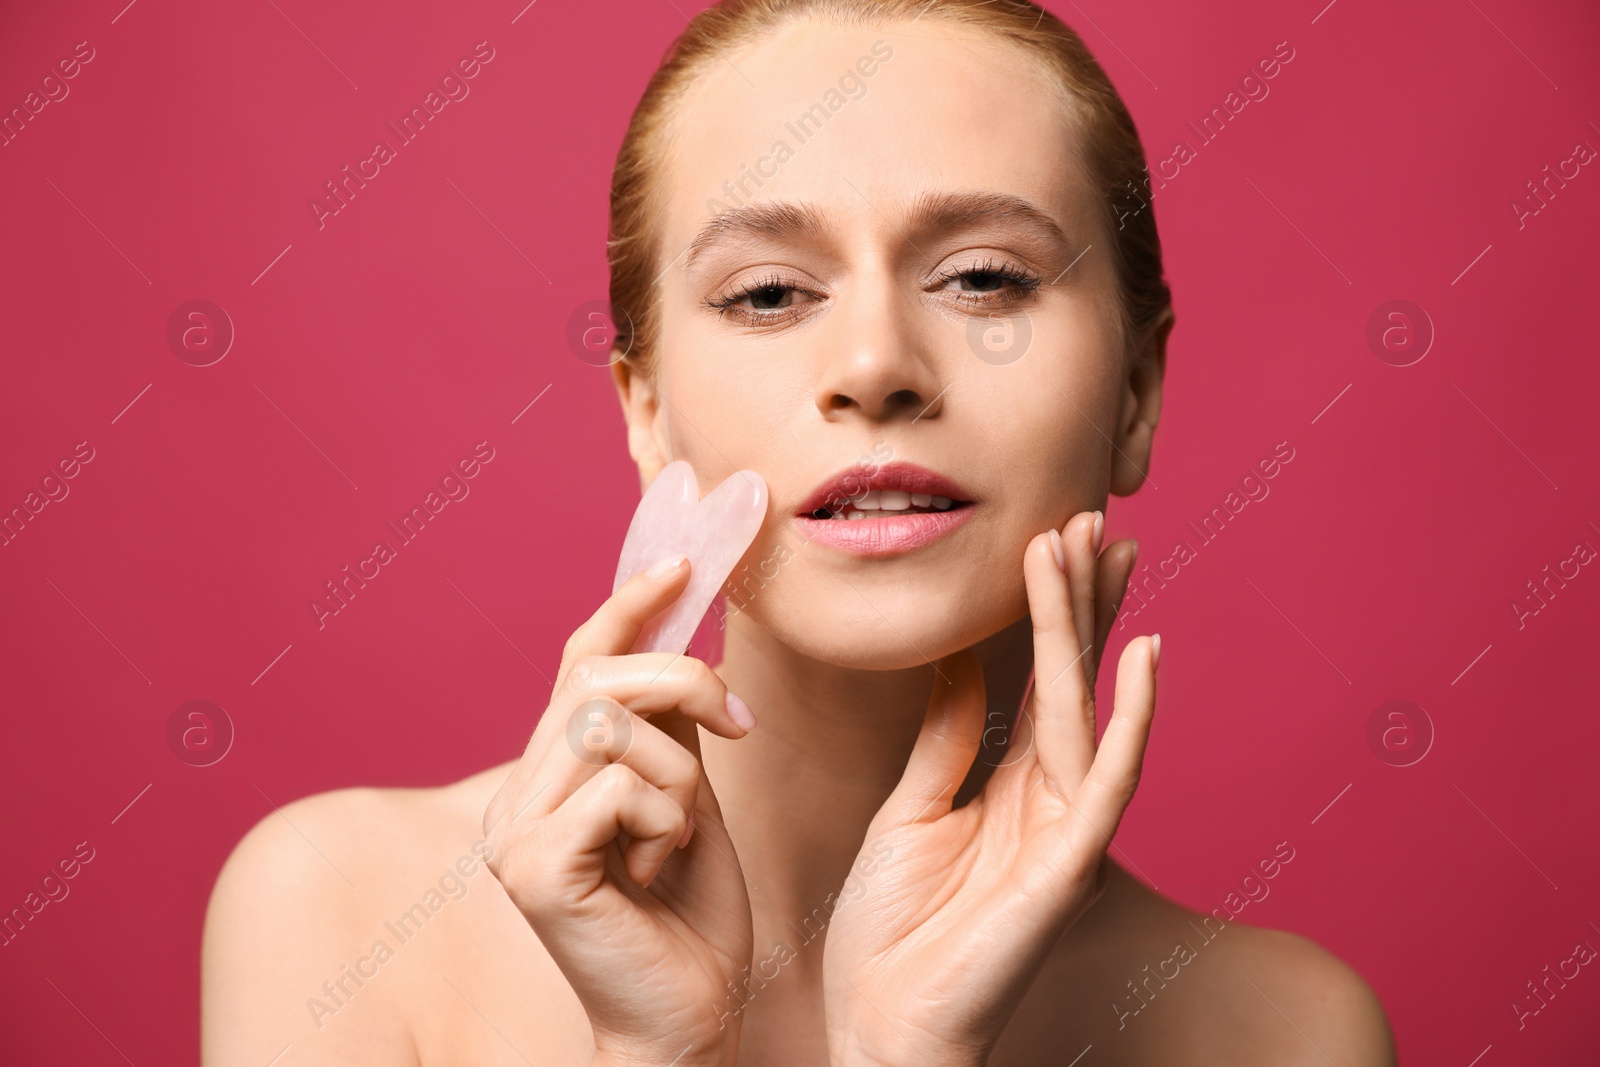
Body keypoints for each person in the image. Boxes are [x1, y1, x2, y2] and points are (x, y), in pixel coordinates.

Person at [202, 1, 1398, 1063]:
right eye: (768, 293)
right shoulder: (343, 913)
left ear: (1134, 390)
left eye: (983, 278)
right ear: (648, 414)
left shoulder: (1282, 1033)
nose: (875, 364)